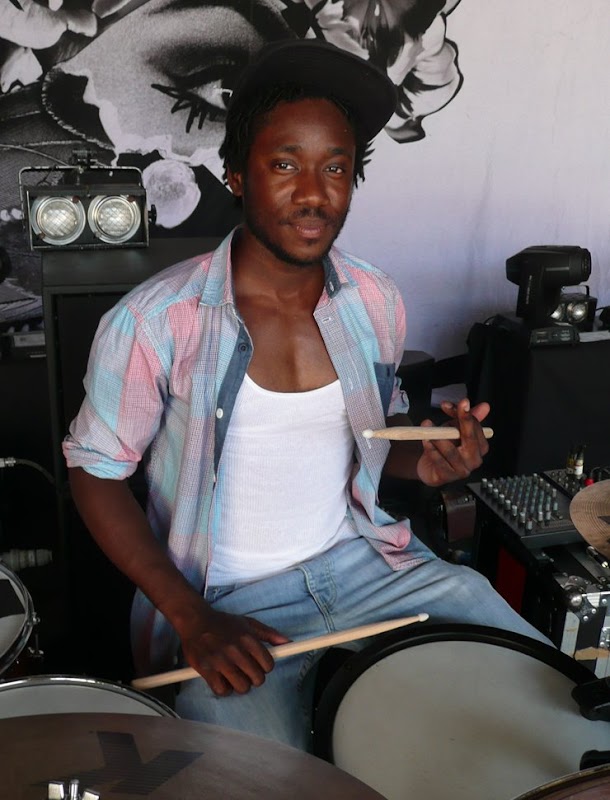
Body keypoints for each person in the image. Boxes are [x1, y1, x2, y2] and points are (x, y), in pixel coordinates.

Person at [64, 38, 549, 752]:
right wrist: (191, 617)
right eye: (285, 164)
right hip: (225, 599)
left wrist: (426, 460)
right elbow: (95, 473)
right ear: (236, 175)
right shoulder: (153, 322)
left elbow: (376, 435)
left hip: (368, 566)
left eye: (336, 168)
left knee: (544, 692)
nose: (314, 193)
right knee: (262, 780)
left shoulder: (374, 300)